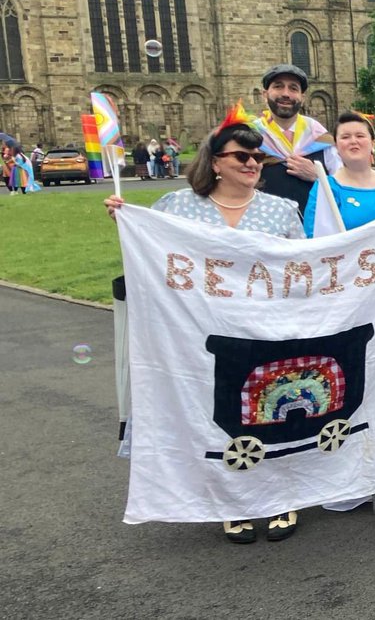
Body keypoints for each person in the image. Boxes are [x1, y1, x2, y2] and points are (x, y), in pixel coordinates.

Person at [104, 106, 306, 545]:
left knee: (272, 413)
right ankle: (230, 503)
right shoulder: (178, 206)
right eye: (242, 157)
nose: (252, 163)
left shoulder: (281, 210)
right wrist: (127, 220)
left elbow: (301, 271)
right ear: (215, 162)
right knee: (219, 420)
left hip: (265, 333)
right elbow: (154, 257)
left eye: (258, 157)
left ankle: (281, 498)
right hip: (200, 336)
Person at [303, 112, 375, 237]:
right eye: (345, 137)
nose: (353, 141)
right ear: (336, 146)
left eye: (360, 135)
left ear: (373, 143)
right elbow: (316, 240)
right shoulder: (326, 190)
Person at [252, 64, 340, 215]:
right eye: (278, 87)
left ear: (302, 97)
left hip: (315, 228)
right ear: (265, 95)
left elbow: (343, 186)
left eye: (293, 88)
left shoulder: (320, 137)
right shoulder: (250, 135)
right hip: (265, 228)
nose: (286, 94)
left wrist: (318, 177)